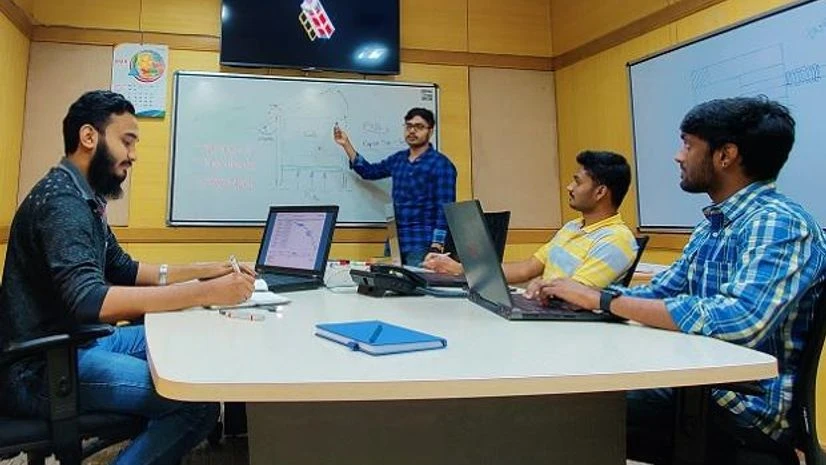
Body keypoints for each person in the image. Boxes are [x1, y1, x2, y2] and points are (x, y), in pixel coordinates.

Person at [533, 97, 826, 463]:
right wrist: (581, 295)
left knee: (558, 411)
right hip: (699, 387)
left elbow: (740, 320)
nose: (678, 156)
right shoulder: (712, 225)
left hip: (743, 408)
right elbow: (661, 291)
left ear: (725, 155)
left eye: (688, 144)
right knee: (564, 395)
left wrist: (604, 301)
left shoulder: (778, 223)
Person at [0, 90, 257, 465]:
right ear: (89, 137)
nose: (133, 155)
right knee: (197, 406)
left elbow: (124, 269)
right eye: (127, 141)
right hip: (41, 369)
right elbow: (89, 301)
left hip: (72, 344)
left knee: (180, 333)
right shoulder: (62, 204)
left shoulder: (83, 196)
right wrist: (207, 292)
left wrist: (205, 271)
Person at [424, 150, 639, 290]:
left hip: (571, 332)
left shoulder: (616, 240)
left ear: (600, 192)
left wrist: (540, 287)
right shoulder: (572, 227)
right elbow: (526, 269)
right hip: (547, 314)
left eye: (577, 182)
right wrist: (462, 269)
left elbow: (575, 294)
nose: (569, 187)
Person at [333, 108, 457, 265]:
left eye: (419, 127)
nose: (412, 131)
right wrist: (346, 145)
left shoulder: (441, 165)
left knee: (417, 287)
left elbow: (445, 210)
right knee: (390, 284)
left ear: (430, 131)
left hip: (422, 243)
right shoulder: (399, 160)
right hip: (394, 241)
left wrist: (436, 246)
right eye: (408, 126)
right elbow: (369, 171)